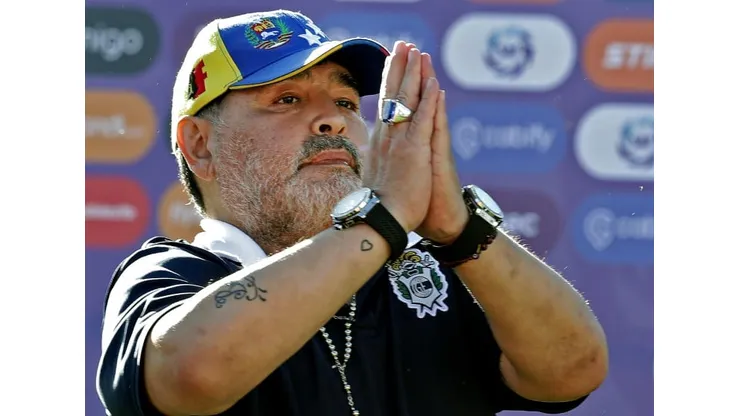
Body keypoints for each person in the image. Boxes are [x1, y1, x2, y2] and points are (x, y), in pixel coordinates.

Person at [96, 9, 608, 416]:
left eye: (344, 102)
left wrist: (460, 231)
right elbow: (191, 374)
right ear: (200, 145)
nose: (332, 121)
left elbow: (574, 369)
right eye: (287, 99)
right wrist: (383, 220)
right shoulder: (174, 275)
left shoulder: (433, 271)